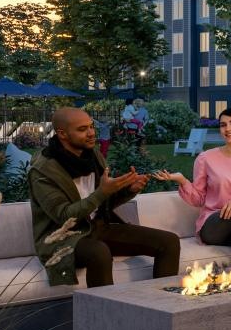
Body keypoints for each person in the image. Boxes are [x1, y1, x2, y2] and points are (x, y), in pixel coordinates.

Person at [29, 106, 177, 288]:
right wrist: (103, 192)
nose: (91, 133)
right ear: (62, 134)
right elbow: (64, 215)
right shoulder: (43, 171)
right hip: (65, 238)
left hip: (98, 228)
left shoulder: (93, 156)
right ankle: (104, 313)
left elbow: (103, 204)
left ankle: (163, 306)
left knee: (169, 242)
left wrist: (129, 190)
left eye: (91, 126)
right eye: (82, 129)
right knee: (99, 252)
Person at [156, 107, 231, 266]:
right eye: (223, 125)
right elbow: (199, 198)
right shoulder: (205, 158)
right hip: (214, 226)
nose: (228, 129)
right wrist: (182, 181)